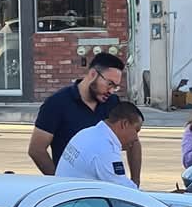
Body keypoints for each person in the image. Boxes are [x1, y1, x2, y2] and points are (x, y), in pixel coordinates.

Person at [28, 53, 142, 184]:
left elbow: (133, 141)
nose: (111, 91)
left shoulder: (113, 103)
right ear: (93, 74)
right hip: (73, 192)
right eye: (109, 84)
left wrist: (135, 181)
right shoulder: (57, 104)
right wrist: (60, 181)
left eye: (115, 87)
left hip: (103, 188)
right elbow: (36, 149)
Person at [55, 102, 144, 187]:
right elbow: (125, 191)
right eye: (136, 130)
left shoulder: (87, 133)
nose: (136, 138)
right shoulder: (105, 149)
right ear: (124, 124)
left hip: (66, 196)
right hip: (76, 200)